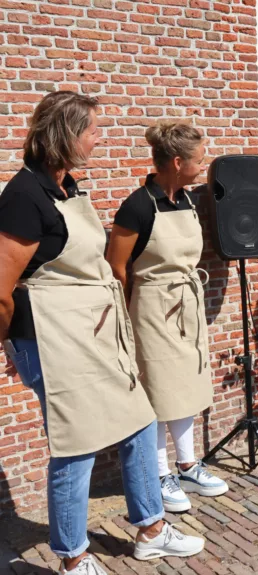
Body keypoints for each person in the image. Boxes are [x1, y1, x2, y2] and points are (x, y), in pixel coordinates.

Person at [0, 92, 203, 575]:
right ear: (67, 135)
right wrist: (10, 343)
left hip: (92, 333)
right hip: (50, 339)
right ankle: (73, 557)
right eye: (93, 131)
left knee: (139, 420)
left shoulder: (66, 187)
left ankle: (150, 530)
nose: (98, 140)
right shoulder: (23, 196)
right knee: (78, 442)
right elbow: (1, 288)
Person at [106, 122, 229, 514]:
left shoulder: (187, 200)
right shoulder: (137, 206)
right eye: (198, 160)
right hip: (151, 308)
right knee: (157, 390)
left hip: (186, 304)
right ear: (177, 162)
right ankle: (159, 474)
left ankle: (188, 465)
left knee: (186, 385)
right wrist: (130, 316)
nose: (202, 165)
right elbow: (116, 266)